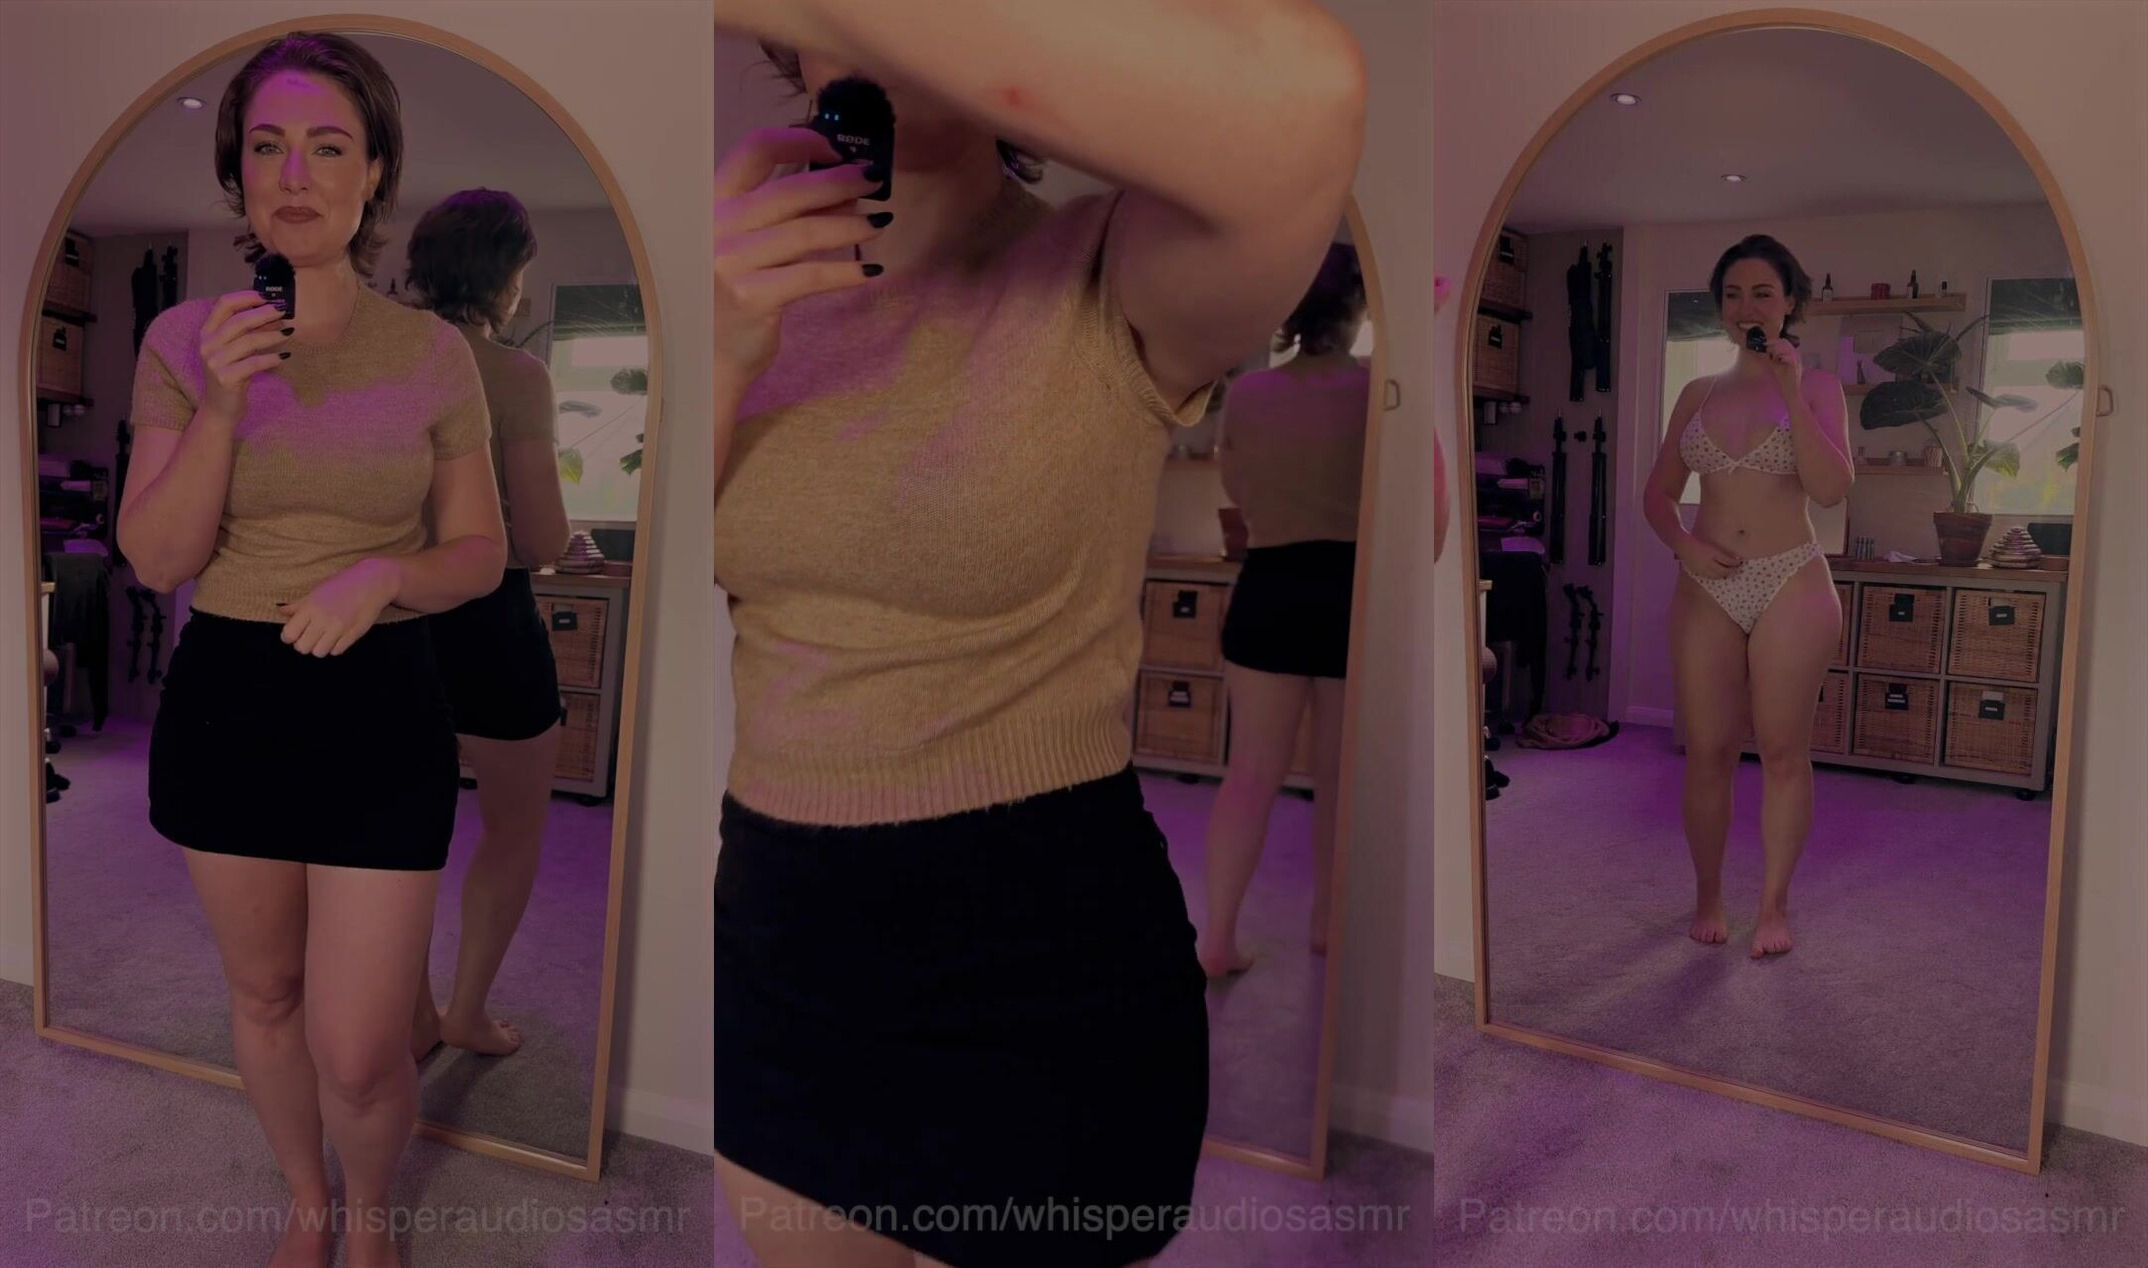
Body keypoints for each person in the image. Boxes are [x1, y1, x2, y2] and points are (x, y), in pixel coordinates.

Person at [708, 3, 1367, 1265]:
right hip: (781, 940)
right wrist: (722, 355)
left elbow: (1309, 93)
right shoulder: (734, 287)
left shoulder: (1107, 266)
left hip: (1036, 957)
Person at [117, 33, 504, 1268]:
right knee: (268, 994)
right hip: (229, 696)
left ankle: (373, 1211)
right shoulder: (183, 340)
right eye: (268, 145)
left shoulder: (435, 355)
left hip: (382, 698)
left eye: (328, 146)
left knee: (362, 1040)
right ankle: (307, 1198)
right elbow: (158, 558)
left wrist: (386, 572)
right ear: (237, 169)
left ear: (373, 169)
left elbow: (481, 551)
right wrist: (224, 403)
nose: (295, 173)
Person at [1640, 234, 1853, 959]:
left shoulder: (1818, 389)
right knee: (1708, 750)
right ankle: (1708, 896)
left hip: (1791, 576)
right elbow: (1659, 494)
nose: (1746, 307)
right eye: (1732, 294)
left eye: (1762, 293)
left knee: (1784, 750)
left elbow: (1831, 488)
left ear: (1790, 302)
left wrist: (1790, 387)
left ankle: (1773, 906)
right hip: (1707, 583)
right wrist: (1684, 544)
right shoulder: (1697, 393)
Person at [402, 188, 571, 1061]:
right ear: (507, 277)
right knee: (513, 826)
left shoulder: (382, 363)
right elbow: (540, 540)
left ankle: (411, 1017)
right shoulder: (515, 375)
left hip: (394, 620)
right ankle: (464, 1012)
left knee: (394, 832)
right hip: (490, 623)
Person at [1197, 242, 1369, 979]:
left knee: (1249, 773)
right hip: (1349, 588)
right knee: (1338, 777)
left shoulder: (1249, 394)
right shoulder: (1375, 388)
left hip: (1269, 582)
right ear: (1358, 308)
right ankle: (1327, 925)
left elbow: (1237, 489)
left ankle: (1216, 938)